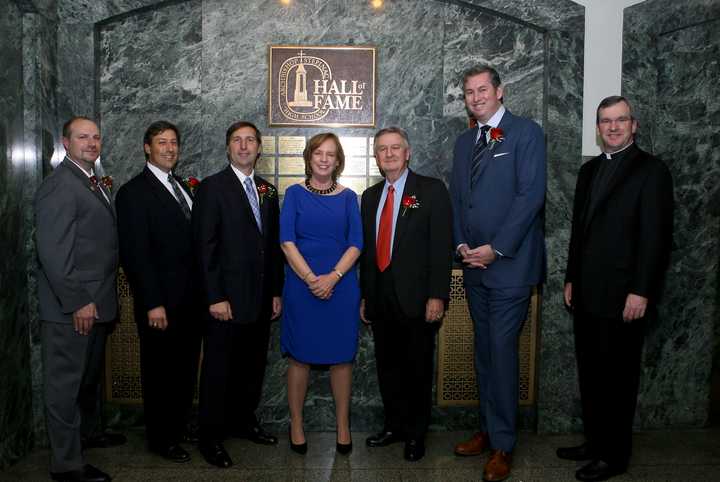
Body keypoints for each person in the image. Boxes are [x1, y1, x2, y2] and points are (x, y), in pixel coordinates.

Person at [558, 96, 673, 482]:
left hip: (625, 296)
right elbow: (580, 231)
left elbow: (656, 237)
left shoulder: (651, 170)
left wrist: (641, 291)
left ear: (633, 125)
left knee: (618, 381)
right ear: (598, 127)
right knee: (591, 374)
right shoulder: (589, 170)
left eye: (620, 120)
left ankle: (615, 456)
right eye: (605, 121)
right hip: (587, 294)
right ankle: (594, 443)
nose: (613, 127)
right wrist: (571, 277)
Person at [449, 65, 546, 482]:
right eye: (469, 92)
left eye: (482, 89)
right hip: (473, 268)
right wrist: (461, 246)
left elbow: (530, 196)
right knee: (484, 353)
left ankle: (504, 445)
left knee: (503, 353)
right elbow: (457, 200)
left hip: (509, 267)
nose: (476, 97)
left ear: (500, 91)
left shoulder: (526, 134)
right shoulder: (464, 140)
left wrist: (497, 248)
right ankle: (488, 430)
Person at [35, 116, 126, 482]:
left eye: (96, 137)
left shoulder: (90, 181)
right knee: (64, 387)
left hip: (95, 302)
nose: (91, 142)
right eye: (82, 137)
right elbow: (53, 253)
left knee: (85, 382)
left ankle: (88, 435)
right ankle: (67, 465)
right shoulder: (60, 185)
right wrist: (77, 301)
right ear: (66, 142)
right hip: (72, 308)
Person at [192, 121, 284, 468]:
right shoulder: (212, 188)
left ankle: (244, 422)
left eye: (250, 141)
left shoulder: (268, 190)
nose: (244, 146)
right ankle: (210, 437)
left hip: (259, 300)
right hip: (224, 302)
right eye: (237, 141)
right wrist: (215, 296)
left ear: (259, 148)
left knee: (251, 367)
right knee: (218, 371)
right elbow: (205, 247)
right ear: (228, 147)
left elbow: (272, 248)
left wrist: (275, 291)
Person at [360, 127, 453, 462]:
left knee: (416, 369)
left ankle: (416, 434)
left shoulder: (430, 190)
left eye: (395, 148)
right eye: (382, 149)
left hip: (418, 300)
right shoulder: (370, 197)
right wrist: (366, 297)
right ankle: (394, 426)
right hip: (381, 301)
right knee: (388, 368)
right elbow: (369, 254)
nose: (389, 154)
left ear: (408, 152)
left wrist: (437, 296)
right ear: (376, 155)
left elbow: (441, 247)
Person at [115, 121, 203, 463]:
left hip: (190, 302)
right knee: (160, 372)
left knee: (183, 371)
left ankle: (178, 428)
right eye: (161, 142)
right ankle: (160, 438)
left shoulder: (182, 186)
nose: (169, 148)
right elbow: (136, 254)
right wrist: (153, 303)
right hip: (161, 304)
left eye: (173, 143)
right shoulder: (134, 192)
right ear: (146, 148)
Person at [279, 132, 362, 455]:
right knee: (299, 358)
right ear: (309, 158)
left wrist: (333, 278)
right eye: (318, 153)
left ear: (339, 161)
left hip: (341, 288)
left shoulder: (348, 197)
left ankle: (343, 425)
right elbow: (287, 241)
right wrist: (313, 279)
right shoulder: (295, 194)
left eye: (331, 154)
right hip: (302, 286)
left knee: (342, 359)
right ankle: (296, 423)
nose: (324, 159)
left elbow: (357, 243)